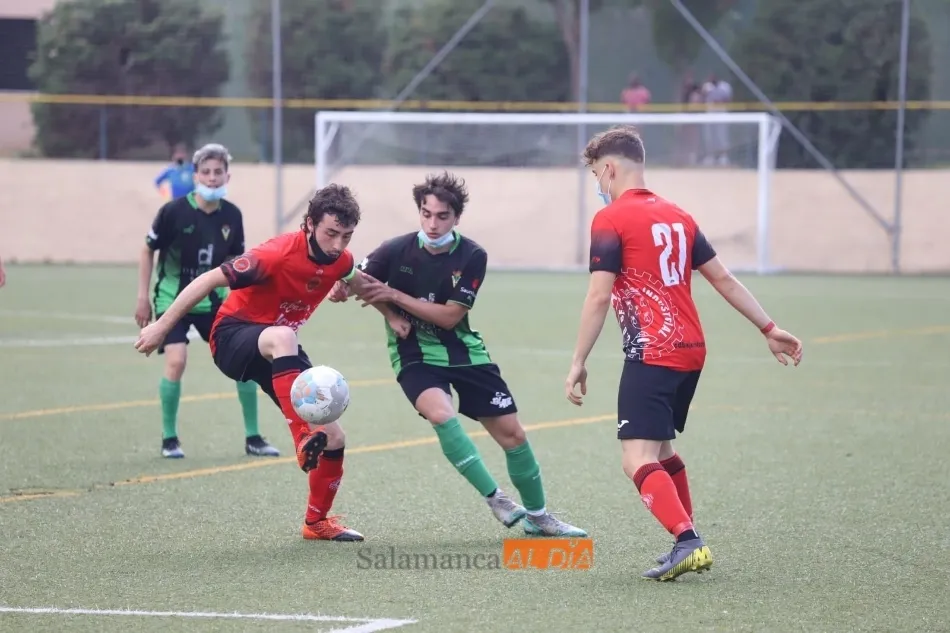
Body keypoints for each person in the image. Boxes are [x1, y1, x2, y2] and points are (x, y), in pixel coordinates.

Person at [564, 125, 803, 581]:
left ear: (610, 168)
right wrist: (769, 328)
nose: (598, 185)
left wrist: (578, 361)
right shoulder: (679, 216)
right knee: (662, 448)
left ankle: (688, 540)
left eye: (597, 174)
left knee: (635, 459)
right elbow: (724, 279)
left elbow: (598, 297)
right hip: (691, 350)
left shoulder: (610, 220)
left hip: (652, 352)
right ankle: (683, 538)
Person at [329, 171, 587, 538]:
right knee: (441, 415)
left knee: (513, 436)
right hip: (413, 353)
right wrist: (342, 288)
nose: (432, 224)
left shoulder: (472, 255)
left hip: (465, 352)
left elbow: (450, 317)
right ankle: (496, 499)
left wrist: (393, 297)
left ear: (457, 217)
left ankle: (539, 517)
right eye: (426, 214)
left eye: (442, 216)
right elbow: (356, 278)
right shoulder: (395, 249)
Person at [134, 183, 380, 542]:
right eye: (331, 233)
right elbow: (207, 279)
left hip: (279, 351)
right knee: (283, 336)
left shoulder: (339, 260)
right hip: (234, 337)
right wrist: (161, 326)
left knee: (334, 436)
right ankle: (301, 437)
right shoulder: (276, 254)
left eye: (346, 236)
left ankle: (316, 523)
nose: (339, 245)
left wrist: (392, 313)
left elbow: (358, 280)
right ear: (310, 224)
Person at [137, 143, 277, 460]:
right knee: (176, 360)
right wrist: (142, 297)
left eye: (218, 172)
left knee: (246, 362)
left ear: (227, 175)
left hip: (215, 301)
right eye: (206, 172)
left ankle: (253, 437)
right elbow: (147, 250)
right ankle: (169, 439)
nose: (212, 178)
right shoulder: (173, 212)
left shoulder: (232, 215)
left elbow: (236, 262)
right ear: (196, 175)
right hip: (173, 299)